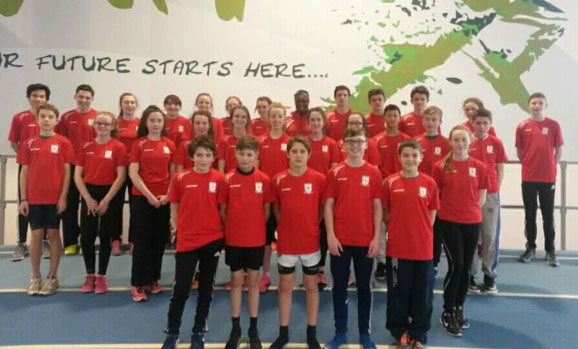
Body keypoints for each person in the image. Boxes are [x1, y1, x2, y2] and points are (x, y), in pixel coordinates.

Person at [162, 135, 225, 349]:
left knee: (206, 289)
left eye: (208, 155)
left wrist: (222, 233)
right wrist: (176, 228)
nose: (203, 159)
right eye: (199, 155)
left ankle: (199, 331)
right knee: (181, 288)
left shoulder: (219, 179)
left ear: (213, 158)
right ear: (192, 157)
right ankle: (172, 332)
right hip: (187, 240)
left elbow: (222, 210)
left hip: (212, 239)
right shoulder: (181, 177)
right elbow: (174, 206)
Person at [324, 128, 382, 349]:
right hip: (340, 241)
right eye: (351, 142)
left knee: (365, 289)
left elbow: (377, 207)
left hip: (365, 240)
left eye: (359, 141)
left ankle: (365, 334)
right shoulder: (335, 172)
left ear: (366, 145)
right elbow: (328, 206)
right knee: (339, 287)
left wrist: (376, 237)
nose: (355, 145)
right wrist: (330, 235)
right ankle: (340, 332)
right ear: (344, 145)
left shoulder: (374, 174)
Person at [269, 137, 326, 349]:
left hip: (310, 242)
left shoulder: (319, 179)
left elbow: (322, 207)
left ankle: (311, 334)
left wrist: (313, 224)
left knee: (311, 287)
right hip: (287, 243)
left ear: (309, 154)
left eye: (303, 151)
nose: (298, 155)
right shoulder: (279, 180)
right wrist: (283, 226)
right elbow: (276, 209)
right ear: (288, 154)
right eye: (295, 151)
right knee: (285, 287)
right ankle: (283, 333)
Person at [432, 125, 488, 337]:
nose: (460, 143)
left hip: (472, 221)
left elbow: (482, 196)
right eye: (456, 140)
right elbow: (435, 195)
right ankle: (447, 310)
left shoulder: (479, 167)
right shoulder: (441, 166)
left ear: (469, 142)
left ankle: (458, 305)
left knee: (466, 268)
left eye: (464, 140)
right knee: (457, 265)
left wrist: (472, 211)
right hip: (449, 221)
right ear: (450, 142)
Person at [383, 139, 439, 349]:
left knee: (422, 294)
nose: (410, 159)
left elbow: (431, 215)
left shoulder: (429, 183)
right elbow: (386, 214)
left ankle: (418, 334)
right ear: (399, 157)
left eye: (414, 155)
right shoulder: (389, 182)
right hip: (397, 249)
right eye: (406, 155)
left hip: (423, 249)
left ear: (421, 158)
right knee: (398, 294)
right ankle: (400, 333)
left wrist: (419, 233)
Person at [219, 136, 272, 349]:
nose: (245, 158)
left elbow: (266, 210)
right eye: (241, 154)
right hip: (234, 239)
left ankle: (253, 327)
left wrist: (255, 227)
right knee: (236, 280)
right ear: (236, 154)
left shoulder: (264, 180)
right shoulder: (227, 179)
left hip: (256, 239)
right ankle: (235, 327)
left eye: (250, 154)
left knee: (253, 281)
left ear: (256, 156)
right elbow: (223, 210)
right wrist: (234, 226)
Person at [18, 104, 74, 296]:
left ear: (56, 120)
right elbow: (24, 171)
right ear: (37, 119)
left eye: (51, 116)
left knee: (53, 234)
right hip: (34, 198)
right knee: (35, 235)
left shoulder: (63, 143)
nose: (47, 119)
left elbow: (67, 172)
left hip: (54, 198)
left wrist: (63, 196)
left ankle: (52, 277)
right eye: (43, 116)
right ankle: (35, 276)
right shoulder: (28, 142)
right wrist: (23, 198)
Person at [75, 111, 127, 294]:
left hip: (109, 194)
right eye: (99, 123)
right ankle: (90, 274)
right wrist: (88, 198)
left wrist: (106, 200)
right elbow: (77, 175)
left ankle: (102, 275)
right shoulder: (85, 146)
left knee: (106, 236)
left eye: (106, 124)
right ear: (94, 125)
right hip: (89, 193)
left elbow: (121, 176)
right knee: (87, 237)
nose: (102, 127)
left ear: (112, 126)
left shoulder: (119, 147)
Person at [129, 105, 175, 302]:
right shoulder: (138, 144)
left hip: (163, 199)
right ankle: (137, 283)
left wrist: (167, 195)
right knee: (142, 243)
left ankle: (153, 280)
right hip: (142, 198)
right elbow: (133, 173)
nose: (156, 124)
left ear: (163, 123)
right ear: (145, 123)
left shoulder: (170, 145)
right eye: (152, 120)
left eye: (159, 121)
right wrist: (148, 195)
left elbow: (174, 173)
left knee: (158, 242)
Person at [516, 92, 564, 266]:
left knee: (548, 215)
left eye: (540, 103)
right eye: (534, 103)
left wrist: (551, 167)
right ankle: (530, 248)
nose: (536, 106)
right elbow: (520, 152)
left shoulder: (554, 125)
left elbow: (558, 150)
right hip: (528, 177)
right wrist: (529, 165)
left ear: (546, 105)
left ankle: (550, 251)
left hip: (548, 178)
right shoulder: (522, 126)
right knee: (530, 215)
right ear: (529, 105)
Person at [9, 83, 50, 261]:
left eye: (42, 96)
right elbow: (13, 142)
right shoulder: (20, 118)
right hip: (26, 168)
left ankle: (45, 241)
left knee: (48, 204)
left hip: (48, 168)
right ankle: (21, 243)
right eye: (35, 95)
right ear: (29, 97)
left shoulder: (50, 116)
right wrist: (26, 158)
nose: (38, 99)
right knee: (24, 204)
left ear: (46, 99)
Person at [468, 108, 507, 294]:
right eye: (478, 123)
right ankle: (470, 276)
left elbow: (500, 170)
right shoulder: (466, 142)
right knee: (472, 237)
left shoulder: (497, 143)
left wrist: (495, 189)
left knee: (490, 235)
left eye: (485, 123)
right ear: (472, 123)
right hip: (469, 195)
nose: (482, 126)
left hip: (491, 194)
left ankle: (489, 276)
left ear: (490, 124)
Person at [57, 84, 97, 255]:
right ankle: (71, 242)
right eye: (81, 96)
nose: (84, 100)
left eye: (87, 97)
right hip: (71, 166)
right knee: (70, 205)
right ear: (75, 97)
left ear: (92, 99)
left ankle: (87, 241)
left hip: (92, 166)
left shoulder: (97, 117)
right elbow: (58, 140)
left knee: (89, 205)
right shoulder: (66, 117)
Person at [257, 102, 290, 293]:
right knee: (266, 238)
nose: (277, 120)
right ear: (268, 118)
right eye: (273, 116)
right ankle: (266, 274)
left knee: (286, 235)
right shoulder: (260, 142)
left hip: (286, 197)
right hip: (266, 198)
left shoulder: (291, 142)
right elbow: (257, 169)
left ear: (284, 118)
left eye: (280, 116)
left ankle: (287, 273)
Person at [307, 107, 340, 291]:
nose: (316, 123)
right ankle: (309, 268)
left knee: (325, 232)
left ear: (323, 122)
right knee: (310, 232)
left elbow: (333, 172)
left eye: (319, 120)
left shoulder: (332, 144)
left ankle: (320, 269)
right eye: (313, 120)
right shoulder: (304, 143)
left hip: (326, 196)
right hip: (307, 195)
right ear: (309, 123)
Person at [415, 106, 450, 278]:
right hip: (417, 194)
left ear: (440, 122)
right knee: (416, 228)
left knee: (435, 230)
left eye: (434, 120)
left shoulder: (446, 144)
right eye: (427, 119)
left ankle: (434, 262)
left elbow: (449, 171)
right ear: (423, 121)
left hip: (437, 195)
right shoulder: (416, 142)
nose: (430, 123)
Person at [114, 92, 140, 255]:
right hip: (117, 169)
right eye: (126, 102)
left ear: (136, 105)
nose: (129, 105)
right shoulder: (115, 123)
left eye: (132, 102)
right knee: (116, 205)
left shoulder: (141, 123)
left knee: (135, 206)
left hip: (136, 170)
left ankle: (133, 240)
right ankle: (116, 240)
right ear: (121, 104)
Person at [218, 105, 253, 173]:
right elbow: (221, 168)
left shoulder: (253, 140)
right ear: (231, 119)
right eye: (237, 116)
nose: (240, 119)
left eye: (243, 117)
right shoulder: (224, 141)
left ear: (247, 120)